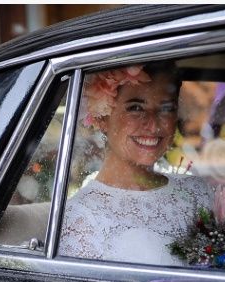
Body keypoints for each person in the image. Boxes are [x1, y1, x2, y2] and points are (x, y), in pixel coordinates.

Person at [58, 62, 214, 265]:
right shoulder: (82, 218)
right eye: (135, 108)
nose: (153, 124)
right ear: (103, 116)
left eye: (166, 108)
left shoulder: (197, 191)